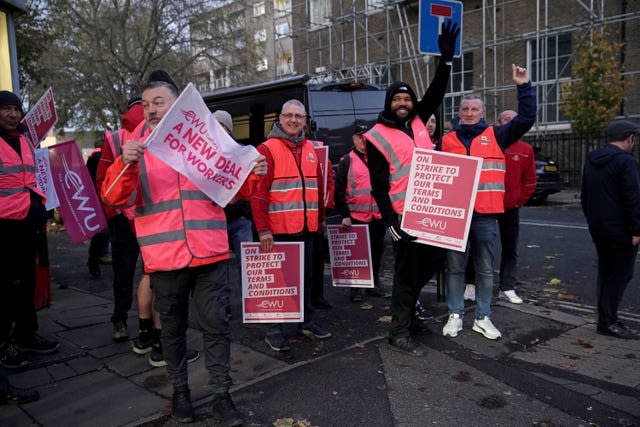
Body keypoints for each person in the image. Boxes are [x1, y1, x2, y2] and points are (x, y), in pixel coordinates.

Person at [102, 70, 266, 424]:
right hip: (164, 259)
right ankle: (180, 396)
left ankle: (222, 396)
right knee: (172, 332)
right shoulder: (135, 145)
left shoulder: (203, 139)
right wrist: (125, 163)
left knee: (216, 327)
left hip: (210, 253)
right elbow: (113, 196)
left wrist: (254, 172)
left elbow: (238, 191)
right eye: (146, 104)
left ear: (177, 104)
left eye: (159, 102)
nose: (151, 110)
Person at [365, 21, 460, 357]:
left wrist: (446, 61)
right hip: (403, 216)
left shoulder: (418, 121)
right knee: (405, 276)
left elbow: (436, 91)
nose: (403, 103)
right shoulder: (376, 136)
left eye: (407, 98)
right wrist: (389, 220)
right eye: (398, 99)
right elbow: (378, 184)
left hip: (430, 212)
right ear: (390, 102)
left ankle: (406, 314)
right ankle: (399, 331)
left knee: (432, 264)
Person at [440, 64, 536, 341]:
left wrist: (524, 86)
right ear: (459, 113)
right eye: (464, 109)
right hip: (455, 216)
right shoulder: (446, 141)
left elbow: (527, 118)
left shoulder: (498, 135)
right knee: (455, 268)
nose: (469, 113)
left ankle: (482, 317)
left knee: (483, 268)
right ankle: (455, 314)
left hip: (485, 215)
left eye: (474, 109)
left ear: (482, 113)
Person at [250, 99, 332, 352]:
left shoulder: (310, 149)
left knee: (305, 280)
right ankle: (273, 330)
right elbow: (258, 194)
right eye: (289, 116)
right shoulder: (267, 150)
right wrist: (263, 230)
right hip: (277, 232)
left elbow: (317, 189)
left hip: (306, 230)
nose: (294, 120)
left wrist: (320, 220)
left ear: (305, 120)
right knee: (277, 283)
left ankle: (305, 321)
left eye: (299, 116)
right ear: (280, 118)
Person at [0, 90, 60, 370]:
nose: (13, 114)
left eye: (16, 109)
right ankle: (3, 345)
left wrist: (40, 208)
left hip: (27, 222)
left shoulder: (23, 139)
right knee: (5, 287)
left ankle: (25, 334)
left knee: (25, 281)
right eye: (6, 109)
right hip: (3, 226)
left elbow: (31, 178)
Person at [461, 110, 537, 305]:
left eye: (513, 119)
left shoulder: (525, 149)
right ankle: (471, 284)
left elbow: (529, 181)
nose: (510, 122)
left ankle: (507, 287)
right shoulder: (488, 142)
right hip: (485, 204)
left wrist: (519, 200)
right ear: (499, 123)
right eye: (506, 120)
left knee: (510, 248)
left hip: (509, 207)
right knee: (477, 245)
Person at [581, 119, 640, 340]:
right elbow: (633, 198)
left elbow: (585, 195)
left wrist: (592, 221)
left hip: (599, 228)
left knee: (606, 273)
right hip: (622, 230)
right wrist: (636, 229)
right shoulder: (626, 162)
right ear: (629, 138)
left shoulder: (592, 159)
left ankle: (605, 320)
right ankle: (610, 322)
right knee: (621, 275)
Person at [95, 96, 145, 342]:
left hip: (122, 218)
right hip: (154, 217)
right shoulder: (164, 131)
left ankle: (120, 320)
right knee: (157, 276)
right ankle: (153, 329)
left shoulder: (114, 138)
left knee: (123, 273)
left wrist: (112, 214)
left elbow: (101, 180)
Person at [335, 123, 388, 303]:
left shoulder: (379, 158)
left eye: (367, 136)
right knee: (358, 255)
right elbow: (339, 191)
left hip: (377, 216)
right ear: (354, 139)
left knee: (376, 251)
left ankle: (373, 285)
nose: (364, 141)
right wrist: (345, 215)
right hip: (357, 216)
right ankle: (356, 288)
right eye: (360, 137)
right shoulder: (347, 161)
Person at [86, 140, 110, 278]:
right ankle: (96, 259)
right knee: (104, 232)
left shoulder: (93, 157)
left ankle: (94, 260)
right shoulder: (98, 158)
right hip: (103, 199)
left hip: (97, 198)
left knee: (100, 232)